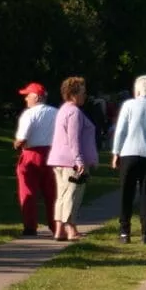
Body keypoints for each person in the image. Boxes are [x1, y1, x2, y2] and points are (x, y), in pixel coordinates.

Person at [112, 74, 146, 244]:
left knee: (126, 193)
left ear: (136, 89)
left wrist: (116, 152)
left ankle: (124, 231)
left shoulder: (128, 105)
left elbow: (121, 130)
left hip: (129, 153)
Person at [47, 76, 98, 242]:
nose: (85, 95)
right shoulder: (75, 112)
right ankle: (70, 229)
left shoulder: (63, 109)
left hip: (58, 159)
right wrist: (79, 160)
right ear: (73, 94)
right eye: (83, 92)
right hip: (71, 161)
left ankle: (59, 229)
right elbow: (73, 138)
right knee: (72, 195)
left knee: (61, 195)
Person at [14, 82, 58, 236]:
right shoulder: (56, 112)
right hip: (52, 154)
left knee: (28, 192)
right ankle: (55, 225)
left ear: (36, 97)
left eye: (28, 96)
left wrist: (16, 144)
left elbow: (22, 138)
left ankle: (30, 226)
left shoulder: (29, 114)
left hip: (31, 154)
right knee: (52, 192)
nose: (26, 99)